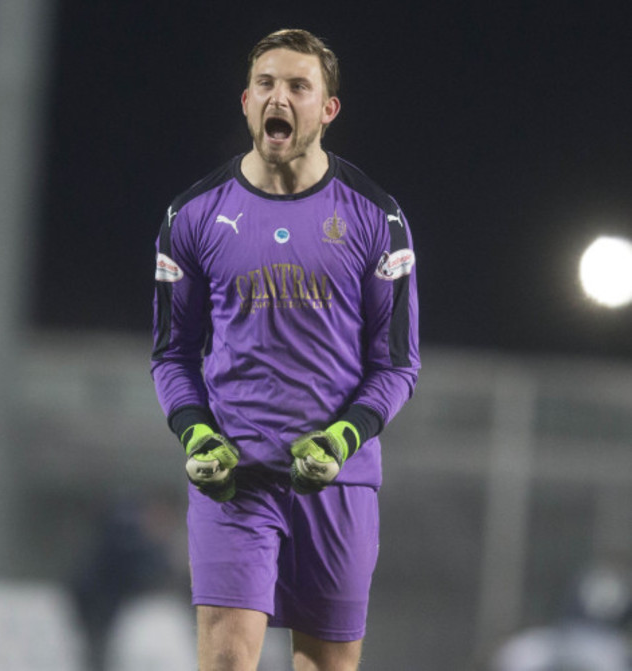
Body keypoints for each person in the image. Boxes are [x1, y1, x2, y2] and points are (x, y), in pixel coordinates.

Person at [151, 28, 420, 671]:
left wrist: (342, 440)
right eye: (267, 84)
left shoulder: (375, 218)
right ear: (247, 102)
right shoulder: (191, 217)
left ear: (327, 110)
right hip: (234, 480)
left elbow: (397, 365)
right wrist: (195, 436)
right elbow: (171, 355)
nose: (281, 97)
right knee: (225, 661)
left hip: (339, 482)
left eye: (299, 86)